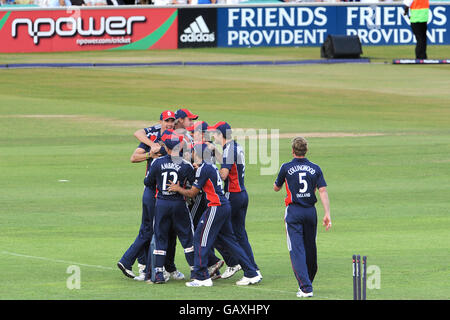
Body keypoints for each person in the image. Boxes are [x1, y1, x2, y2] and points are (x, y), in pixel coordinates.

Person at [168, 143, 261, 287]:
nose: (191, 156)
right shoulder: (210, 167)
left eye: (193, 153)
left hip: (216, 207)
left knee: (200, 238)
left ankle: (202, 277)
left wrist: (177, 188)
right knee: (231, 242)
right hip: (224, 206)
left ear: (198, 155)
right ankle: (252, 273)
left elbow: (192, 193)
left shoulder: (203, 169)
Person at [117, 110, 183, 282]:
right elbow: (134, 156)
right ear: (161, 121)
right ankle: (132, 262)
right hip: (154, 192)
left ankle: (145, 265)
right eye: (166, 121)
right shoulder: (153, 137)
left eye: (171, 121)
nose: (169, 123)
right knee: (151, 230)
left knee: (150, 230)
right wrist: (151, 152)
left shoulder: (174, 138)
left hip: (156, 192)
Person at [273, 137, 331, 298]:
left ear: (292, 151)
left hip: (294, 211)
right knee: (310, 248)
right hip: (311, 212)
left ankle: (306, 288)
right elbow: (323, 191)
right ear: (306, 150)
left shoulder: (286, 167)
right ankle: (308, 282)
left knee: (296, 249)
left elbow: (276, 188)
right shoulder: (315, 168)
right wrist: (327, 214)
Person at [208, 121, 260, 280]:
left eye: (215, 133)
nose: (213, 136)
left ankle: (241, 267)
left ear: (220, 134)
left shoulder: (229, 149)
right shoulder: (234, 147)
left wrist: (207, 171)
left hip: (232, 194)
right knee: (240, 234)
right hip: (242, 194)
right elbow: (227, 163)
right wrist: (216, 151)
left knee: (224, 233)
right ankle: (253, 268)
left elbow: (224, 174)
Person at [145, 130, 196, 283]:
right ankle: (195, 271)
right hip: (179, 204)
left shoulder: (157, 162)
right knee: (187, 237)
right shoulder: (186, 165)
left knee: (160, 236)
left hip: (162, 204)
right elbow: (194, 184)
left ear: (166, 148)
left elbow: (147, 182)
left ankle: (159, 274)